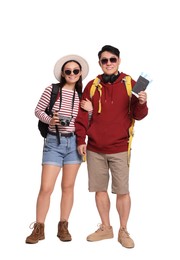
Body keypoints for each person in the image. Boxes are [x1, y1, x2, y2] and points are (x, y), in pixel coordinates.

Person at [75, 45, 148, 248]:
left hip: (119, 147)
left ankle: (123, 230)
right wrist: (81, 140)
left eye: (112, 59)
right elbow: (81, 117)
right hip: (94, 148)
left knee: (122, 191)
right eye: (104, 60)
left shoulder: (130, 83)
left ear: (119, 61)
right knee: (99, 190)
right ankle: (106, 228)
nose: (108, 63)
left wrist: (142, 102)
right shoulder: (92, 85)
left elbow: (138, 115)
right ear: (100, 63)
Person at [26, 54, 92, 244]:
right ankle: (39, 228)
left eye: (75, 71)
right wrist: (50, 120)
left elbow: (86, 122)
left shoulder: (83, 96)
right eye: (68, 71)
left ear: (80, 74)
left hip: (74, 143)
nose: (72, 74)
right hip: (53, 142)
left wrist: (90, 110)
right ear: (63, 73)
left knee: (68, 187)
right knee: (46, 188)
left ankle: (63, 226)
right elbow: (38, 111)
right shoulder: (52, 90)